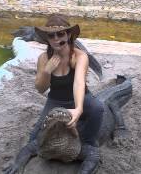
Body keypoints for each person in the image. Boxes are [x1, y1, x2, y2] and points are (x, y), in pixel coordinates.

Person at [32, 14, 104, 173]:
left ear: (68, 34)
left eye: (61, 34)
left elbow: (79, 82)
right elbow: (40, 89)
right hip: (56, 100)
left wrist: (78, 108)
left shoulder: (80, 56)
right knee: (34, 138)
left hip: (81, 97)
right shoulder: (44, 58)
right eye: (51, 35)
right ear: (47, 39)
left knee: (98, 108)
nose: (56, 39)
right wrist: (46, 72)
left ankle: (88, 142)